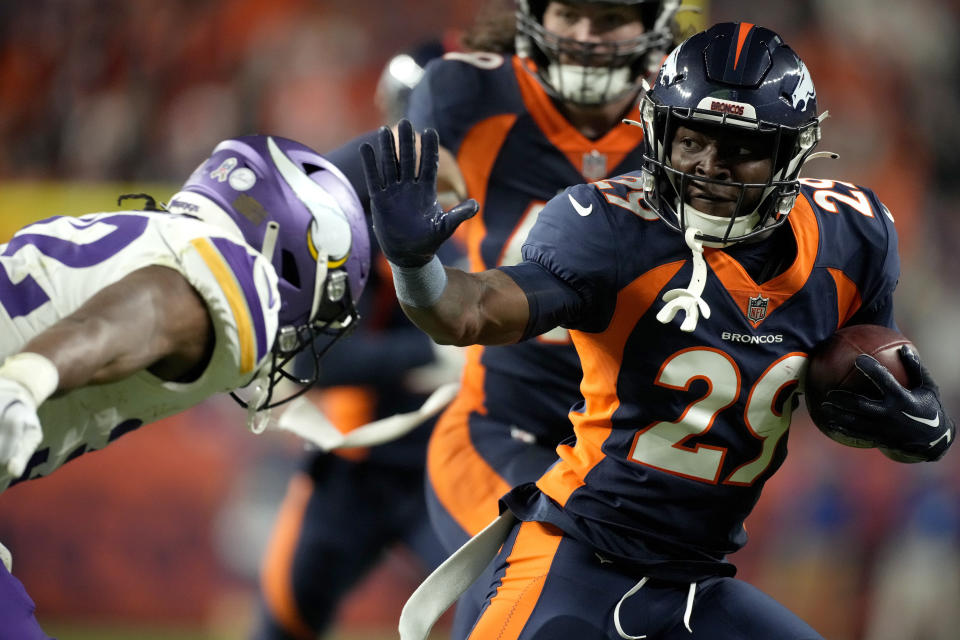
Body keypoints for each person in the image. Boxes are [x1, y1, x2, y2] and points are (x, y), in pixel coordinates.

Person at [362, 22, 956, 640]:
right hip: (577, 556)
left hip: (698, 581)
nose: (707, 167)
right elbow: (473, 310)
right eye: (691, 139)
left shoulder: (852, 237)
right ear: (658, 133)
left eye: (739, 148)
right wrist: (416, 268)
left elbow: (875, 379)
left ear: (789, 155)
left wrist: (921, 425)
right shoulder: (611, 231)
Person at [0, 134, 370, 636]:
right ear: (285, 252)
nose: (299, 331)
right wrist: (26, 380)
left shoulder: (156, 236)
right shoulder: (235, 277)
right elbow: (144, 310)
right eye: (315, 309)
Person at [405, 1, 688, 633]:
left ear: (653, 22)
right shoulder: (472, 90)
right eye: (570, 12)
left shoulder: (691, 122)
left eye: (611, 16)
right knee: (530, 588)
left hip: (629, 461)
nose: (587, 37)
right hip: (502, 428)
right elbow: (366, 185)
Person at [251, 39, 463, 640]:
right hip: (357, 459)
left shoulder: (518, 212)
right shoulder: (348, 215)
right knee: (283, 623)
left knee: (506, 617)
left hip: (459, 460)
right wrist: (433, 353)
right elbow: (316, 358)